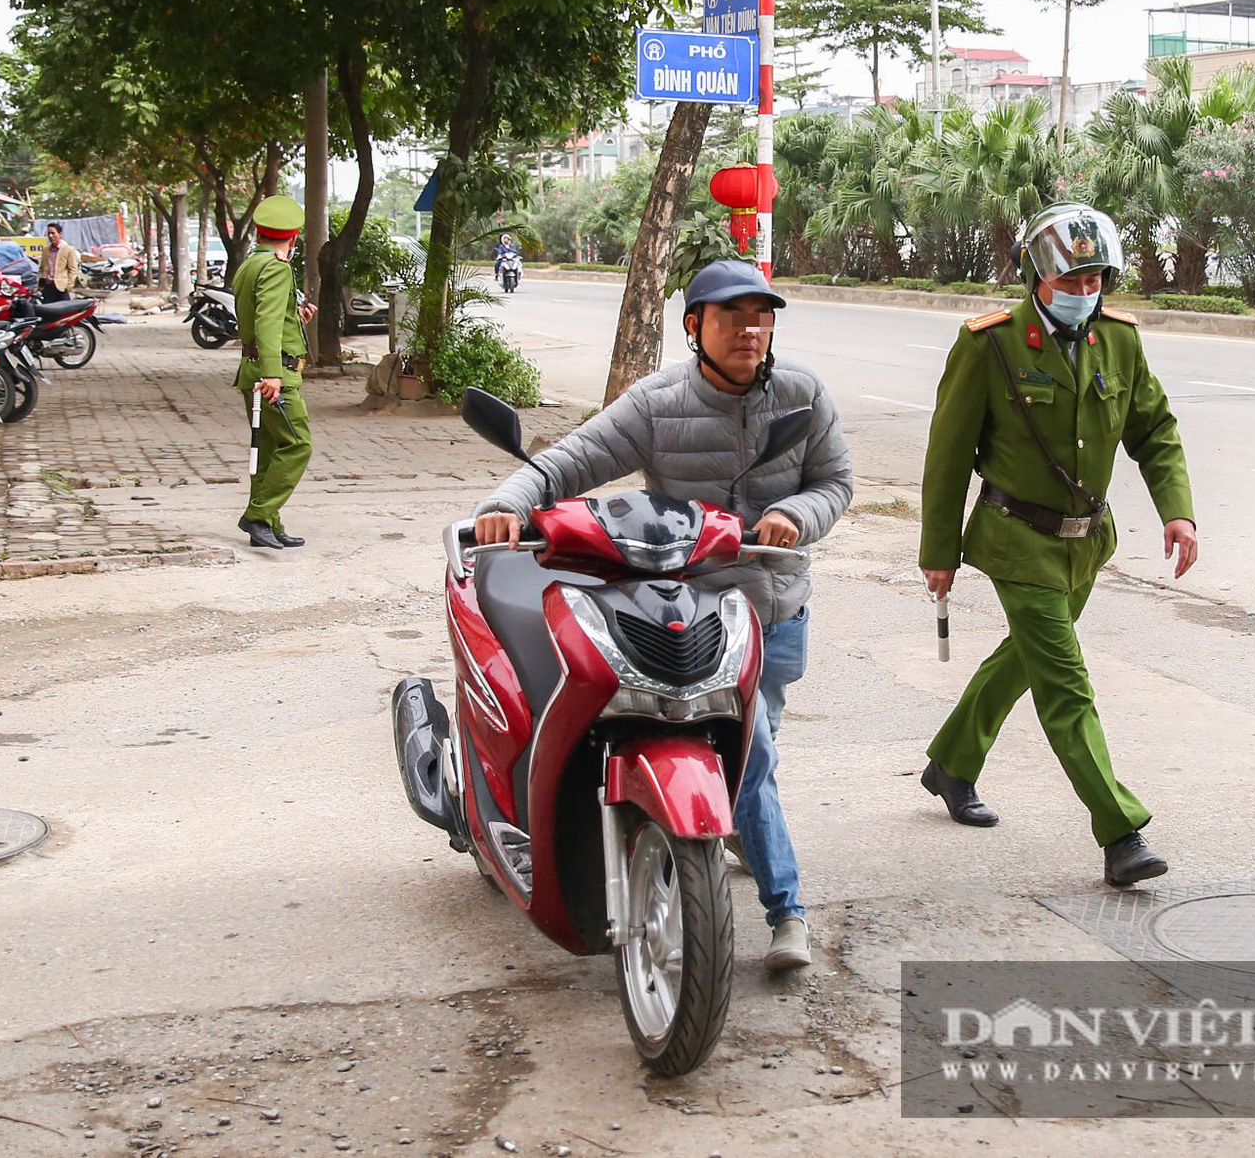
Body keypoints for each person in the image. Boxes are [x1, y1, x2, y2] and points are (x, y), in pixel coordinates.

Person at [474, 260, 853, 971]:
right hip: (694, 604)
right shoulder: (656, 404)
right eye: (731, 316)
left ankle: (755, 861)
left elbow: (835, 481)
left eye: (762, 315)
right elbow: (567, 462)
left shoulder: (802, 394)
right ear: (693, 327)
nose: (750, 329)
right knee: (753, 755)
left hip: (773, 608)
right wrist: (506, 505)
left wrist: (794, 516)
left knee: (753, 749)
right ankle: (785, 908)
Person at [917, 202, 1197, 888]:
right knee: (1066, 684)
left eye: (1095, 280)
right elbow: (948, 454)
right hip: (1016, 539)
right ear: (1038, 278)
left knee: (1029, 658)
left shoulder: (1120, 340)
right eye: (1071, 281)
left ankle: (951, 764)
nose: (1084, 293)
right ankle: (1121, 832)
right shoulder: (991, 343)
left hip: (1085, 543)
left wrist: (1178, 512)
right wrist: (940, 550)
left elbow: (1154, 429)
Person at [232, 195, 317, 550]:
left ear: (260, 233)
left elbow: (263, 316)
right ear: (293, 237)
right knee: (298, 444)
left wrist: (295, 316)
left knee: (268, 450)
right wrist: (274, 374)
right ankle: (257, 515)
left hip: (251, 368)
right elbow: (266, 322)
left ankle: (268, 522)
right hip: (274, 374)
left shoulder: (249, 265)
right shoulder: (278, 268)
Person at [37, 223, 80, 303]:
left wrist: (69, 285)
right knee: (47, 311)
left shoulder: (68, 250)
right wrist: (41, 281)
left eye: (53, 233)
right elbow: (42, 268)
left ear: (60, 234)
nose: (50, 236)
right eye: (49, 233)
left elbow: (73, 269)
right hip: (47, 287)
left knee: (65, 312)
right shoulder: (46, 250)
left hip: (61, 288)